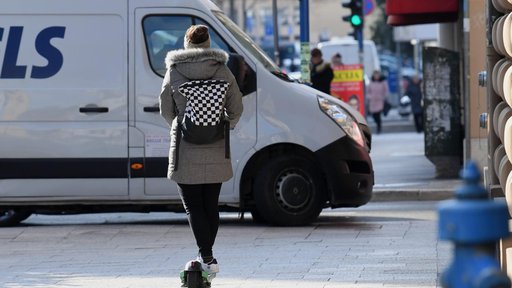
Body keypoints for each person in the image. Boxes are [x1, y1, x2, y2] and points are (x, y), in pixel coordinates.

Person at [159, 24, 243, 275]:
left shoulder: (174, 70)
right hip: (216, 145)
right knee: (210, 205)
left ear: (187, 43)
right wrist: (223, 125)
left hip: (186, 146)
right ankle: (207, 255)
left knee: (192, 206)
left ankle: (206, 254)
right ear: (207, 43)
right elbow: (236, 109)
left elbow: (165, 108)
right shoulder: (222, 70)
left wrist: (182, 124)